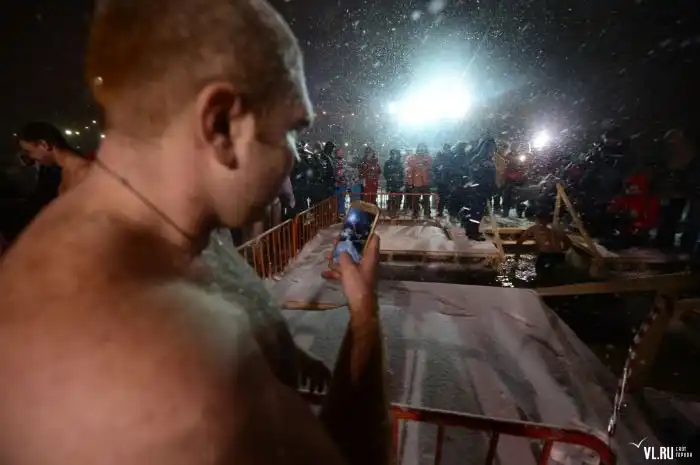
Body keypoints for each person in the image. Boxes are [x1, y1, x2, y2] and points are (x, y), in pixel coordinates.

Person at [0, 2, 390, 465]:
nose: (295, 157)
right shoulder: (181, 369)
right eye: (291, 130)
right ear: (222, 123)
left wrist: (280, 356)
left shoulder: (156, 229)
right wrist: (365, 322)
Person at [17, 121, 92, 195]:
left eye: (29, 151)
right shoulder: (69, 170)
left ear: (44, 144)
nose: (30, 157)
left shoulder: (81, 172)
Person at [516, 211, 572, 276]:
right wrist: (563, 251)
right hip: (556, 254)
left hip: (549, 254)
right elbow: (568, 241)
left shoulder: (535, 228)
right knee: (554, 273)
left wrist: (517, 253)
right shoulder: (556, 229)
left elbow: (520, 240)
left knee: (542, 271)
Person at [405, 143, 432, 218]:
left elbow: (431, 169)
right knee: (415, 199)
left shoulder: (428, 158)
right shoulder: (411, 158)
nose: (421, 150)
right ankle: (415, 213)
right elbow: (408, 171)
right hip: (416, 182)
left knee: (426, 199)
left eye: (423, 148)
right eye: (420, 148)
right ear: (417, 149)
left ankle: (427, 213)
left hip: (426, 182)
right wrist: (410, 182)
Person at [432, 143, 452, 217]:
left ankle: (446, 211)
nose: (447, 150)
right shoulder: (438, 156)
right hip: (441, 181)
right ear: (443, 149)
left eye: (448, 149)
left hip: (449, 180)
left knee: (448, 197)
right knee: (442, 197)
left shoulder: (451, 156)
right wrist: (438, 169)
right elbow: (434, 168)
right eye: (445, 149)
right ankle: (439, 211)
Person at [383, 149, 404, 215]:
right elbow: (385, 173)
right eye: (393, 154)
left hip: (399, 183)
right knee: (391, 197)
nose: (395, 155)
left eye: (396, 154)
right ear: (391, 154)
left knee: (399, 197)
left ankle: (397, 209)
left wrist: (399, 178)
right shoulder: (387, 162)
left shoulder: (400, 163)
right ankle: (390, 210)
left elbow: (403, 173)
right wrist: (390, 177)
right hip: (391, 183)